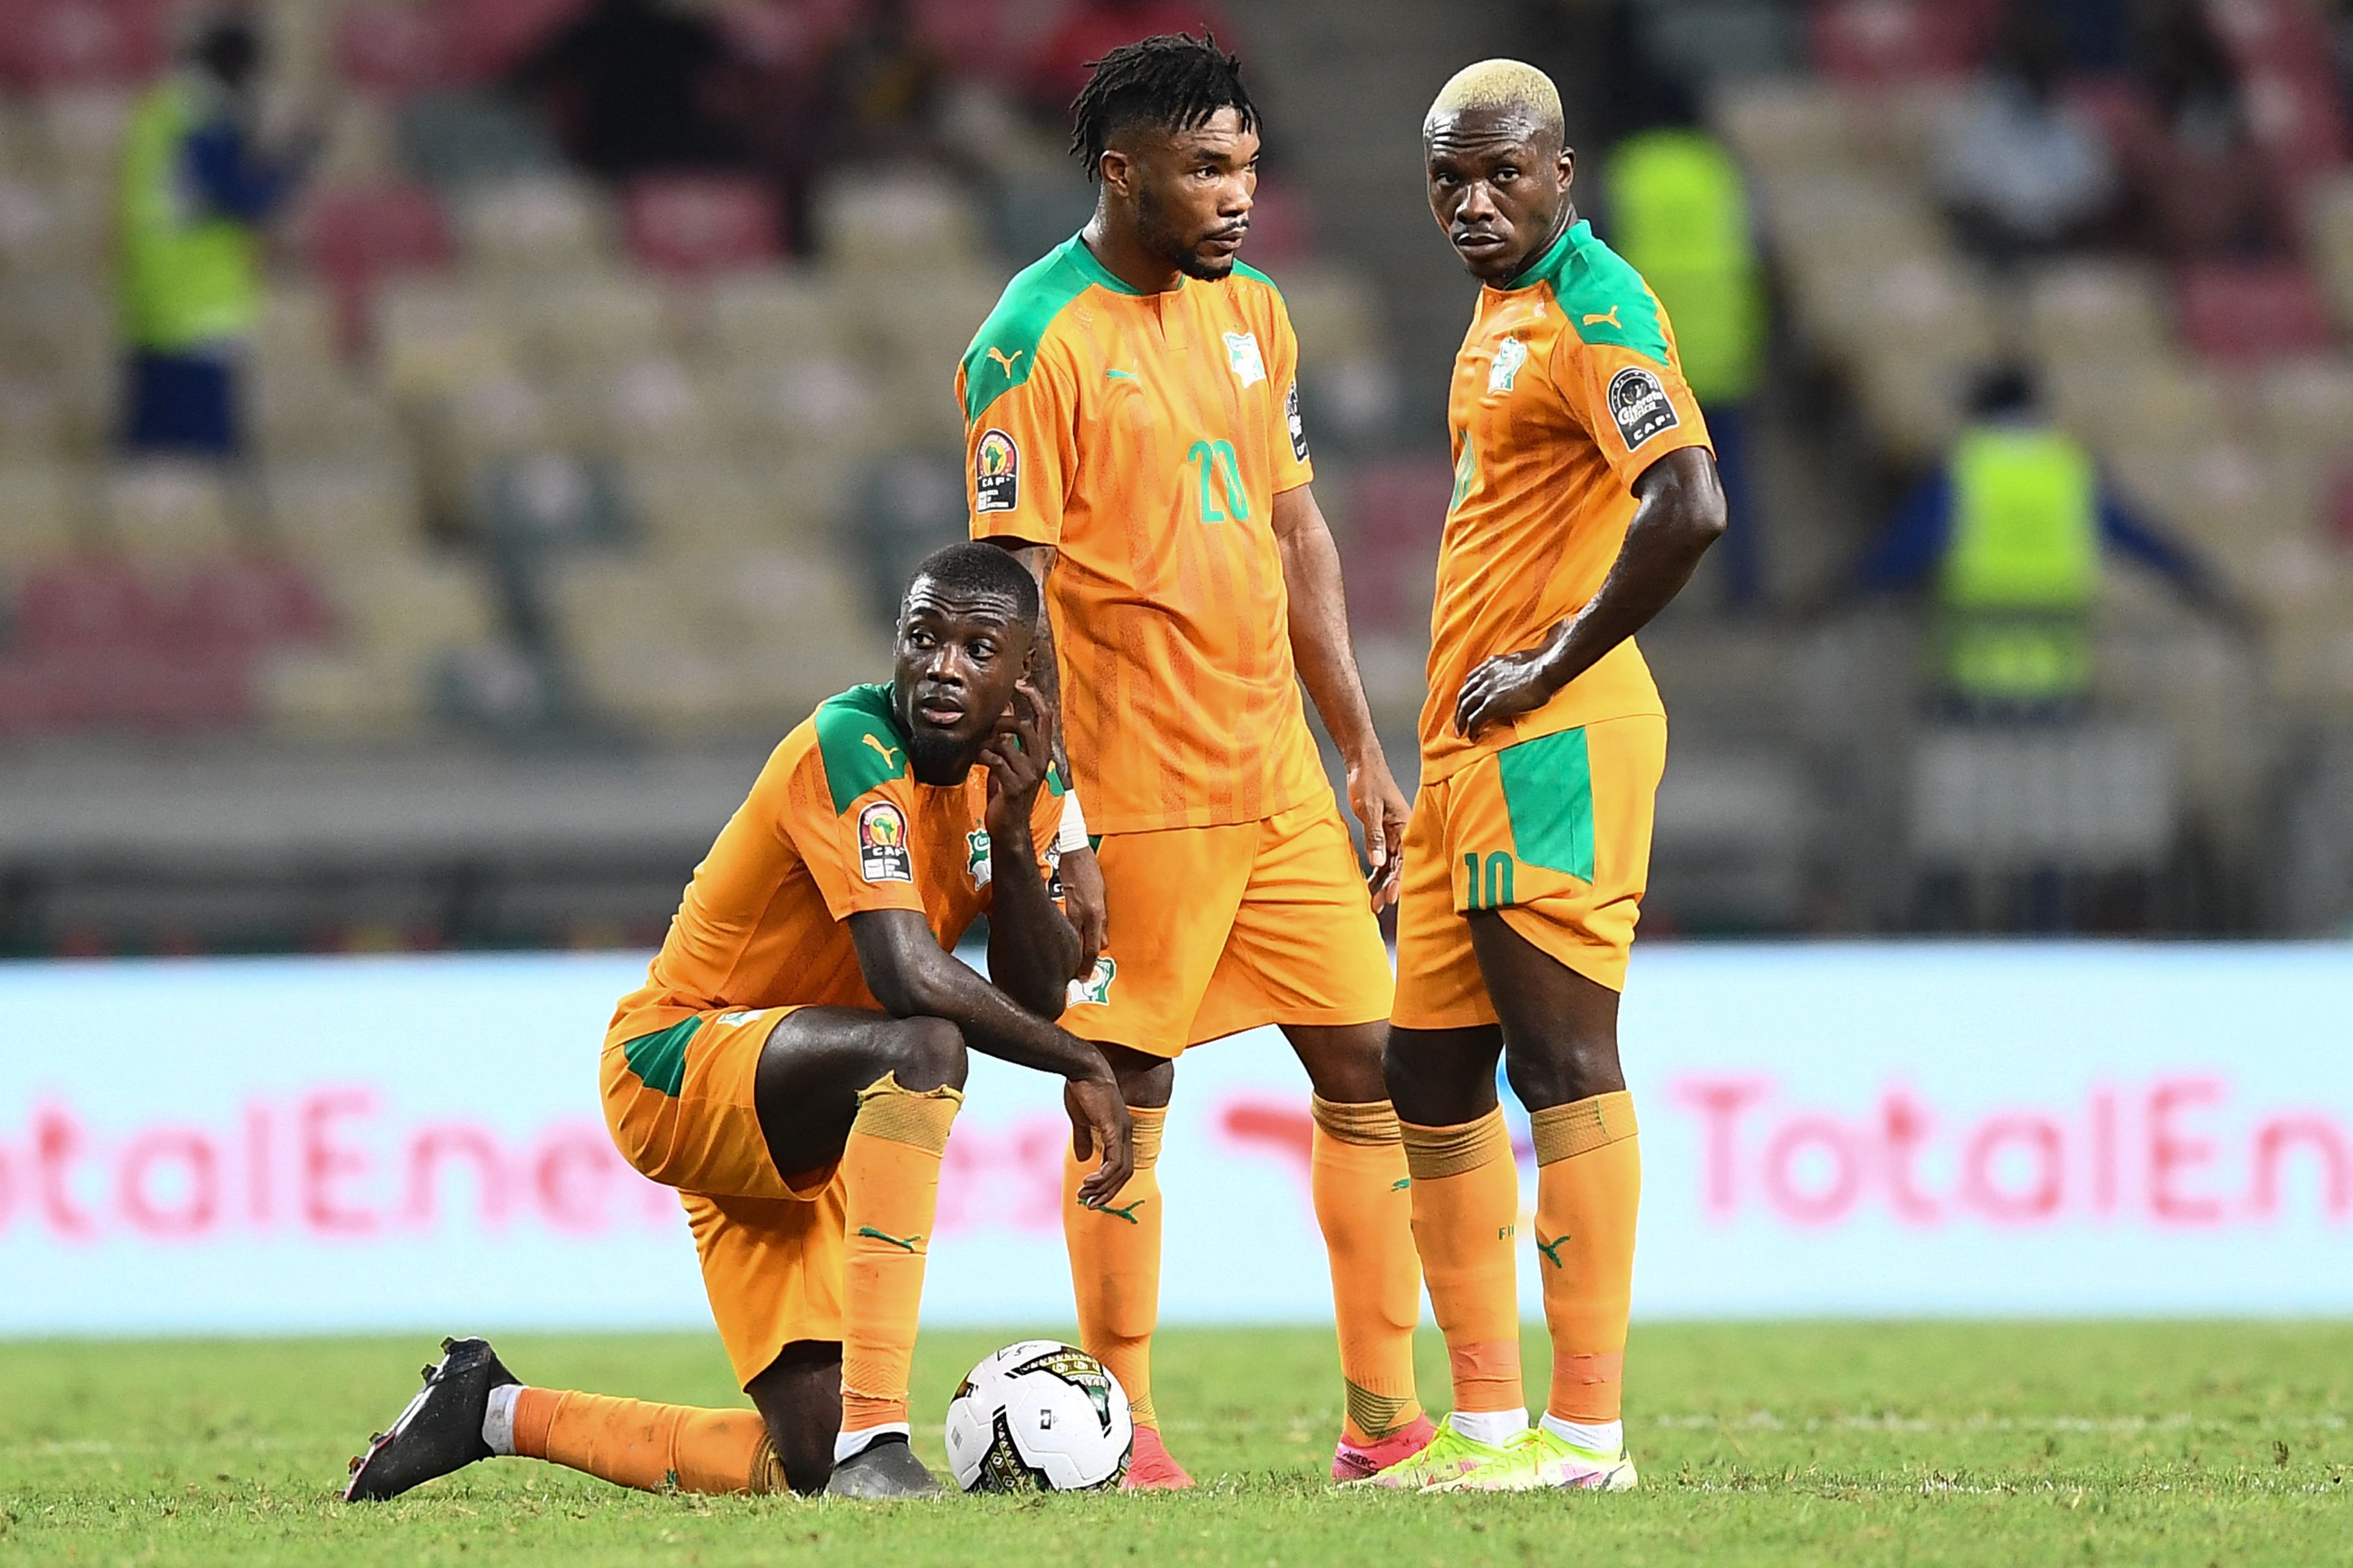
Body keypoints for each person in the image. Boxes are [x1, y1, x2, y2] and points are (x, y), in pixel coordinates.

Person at [340, 545, 1134, 1502]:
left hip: (811, 1100)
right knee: (927, 1046)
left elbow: (1034, 989)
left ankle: (489, 1409)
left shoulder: (1020, 780)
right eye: (923, 638)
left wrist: (1012, 832)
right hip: (678, 1059)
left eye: (978, 648)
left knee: (808, 1463)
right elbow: (905, 971)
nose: (943, 667)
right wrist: (1081, 1060)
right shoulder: (850, 741)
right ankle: (881, 1436)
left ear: (1025, 671)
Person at [959, 35, 1428, 1489]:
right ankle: (1128, 1422)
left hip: (1275, 775)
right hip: (1138, 785)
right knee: (1122, 1090)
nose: (1237, 196)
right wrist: (1053, 819)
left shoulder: (1256, 312)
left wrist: (1359, 749)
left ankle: (1382, 1420)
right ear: (1121, 173)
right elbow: (1010, 597)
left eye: (1247, 168)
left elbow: (1295, 532)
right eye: (1205, 170)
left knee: (1368, 1065)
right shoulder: (1031, 340)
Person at [1365, 60, 1725, 1493]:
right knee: (1425, 1068)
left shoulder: (1596, 306)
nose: (1471, 201)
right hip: (1470, 744)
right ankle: (1486, 1426)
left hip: (1558, 736)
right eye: (1447, 178)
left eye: (1500, 172)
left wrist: (1554, 658)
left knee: (1561, 1059)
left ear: (1559, 174)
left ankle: (1583, 1437)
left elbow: (1689, 502)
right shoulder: (1499, 306)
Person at [1856, 366, 2244, 715]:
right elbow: (2141, 541)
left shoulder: (1963, 467)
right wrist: (2201, 583)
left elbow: (1904, 552)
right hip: (2056, 667)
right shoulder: (2069, 468)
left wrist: (1845, 590)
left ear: (1977, 410)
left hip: (1975, 665)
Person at [116, 7, 314, 458]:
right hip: (194, 310)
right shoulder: (202, 117)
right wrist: (293, 162)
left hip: (151, 300)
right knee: (202, 464)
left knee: (152, 460)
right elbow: (243, 199)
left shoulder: (160, 111)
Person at [1601, 94, 1765, 606]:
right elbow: (1754, 252)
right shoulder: (1719, 170)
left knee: (1645, 482)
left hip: (1650, 357)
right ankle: (1745, 589)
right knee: (1728, 472)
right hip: (1723, 346)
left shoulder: (1628, 171)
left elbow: (1598, 266)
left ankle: (1637, 597)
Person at [509, 0, 747, 182]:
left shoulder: (586, 36)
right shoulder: (686, 35)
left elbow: (527, 81)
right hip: (676, 160)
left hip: (619, 162)